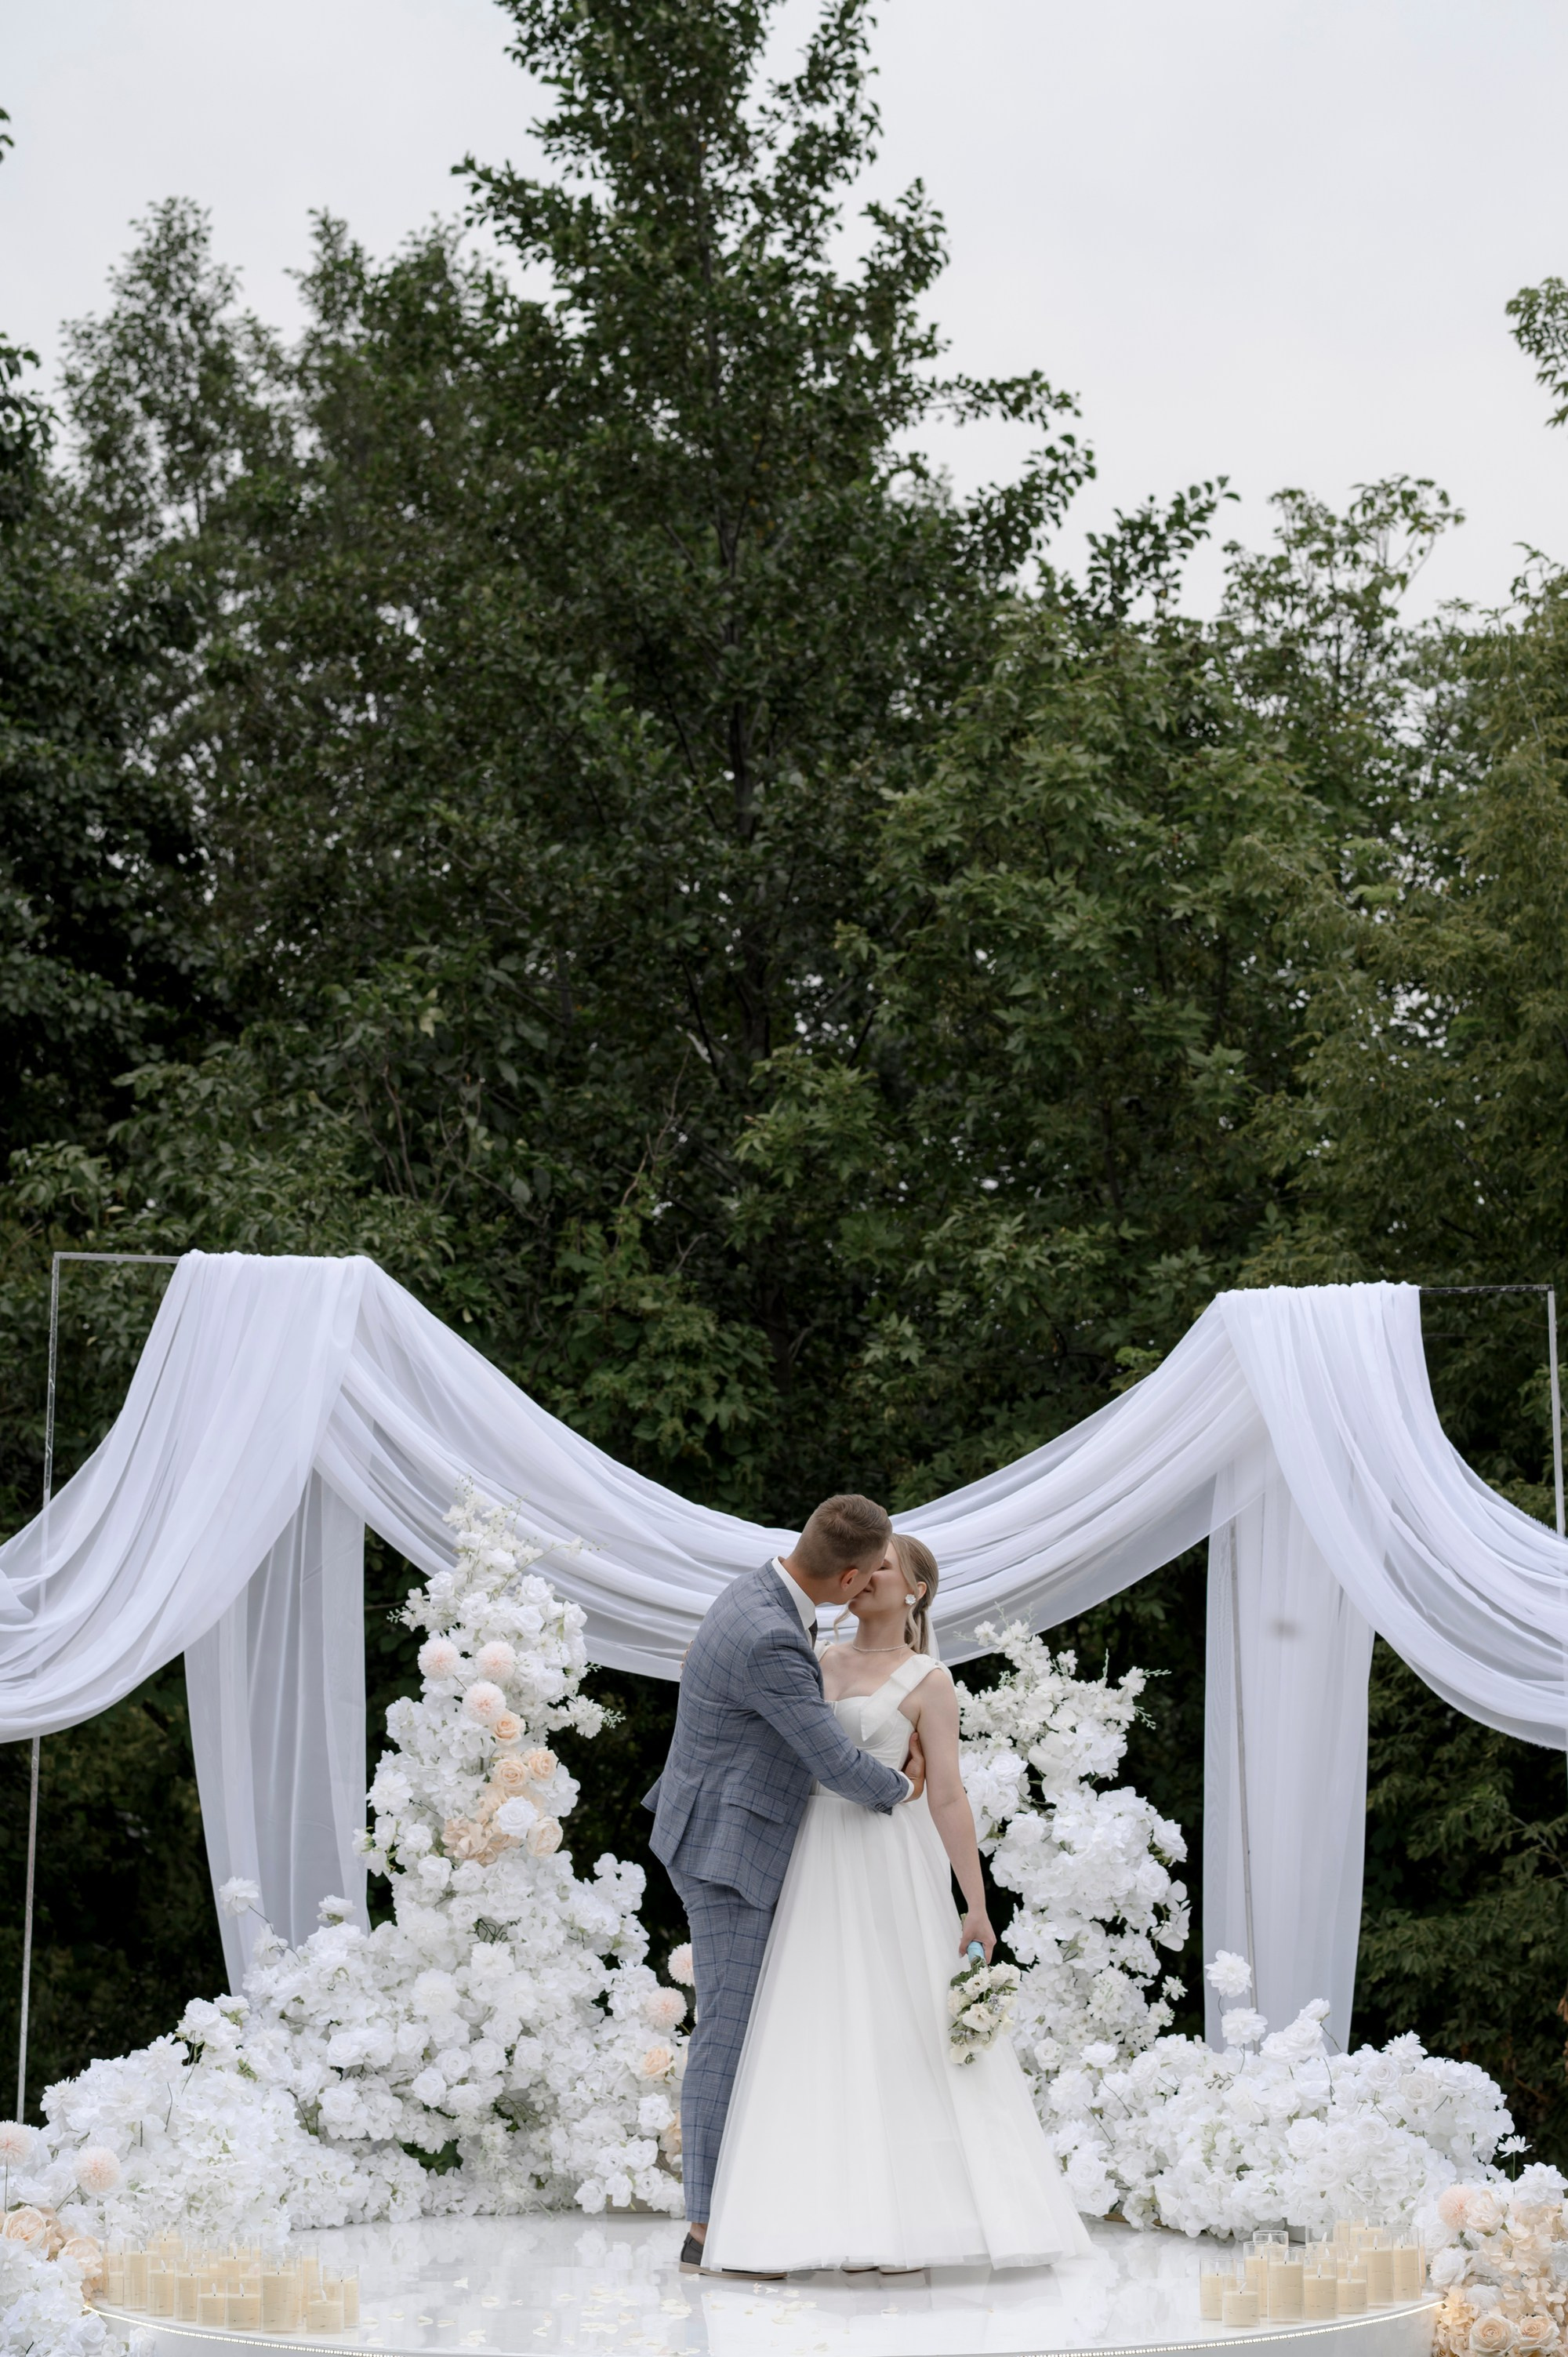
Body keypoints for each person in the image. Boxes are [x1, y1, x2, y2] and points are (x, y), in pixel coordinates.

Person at [699, 1531, 1092, 2277]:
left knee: (895, 2029)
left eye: (884, 1567)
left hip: (887, 1860)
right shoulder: (813, 1659)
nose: (866, 1576)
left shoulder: (929, 1680)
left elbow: (946, 1794)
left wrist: (976, 1904)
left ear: (916, 1590)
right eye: (865, 1566)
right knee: (810, 2025)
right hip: (811, 1856)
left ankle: (907, 2225)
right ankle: (787, 2225)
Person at [644, 1494, 928, 2275]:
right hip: (727, 1848)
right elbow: (831, 1761)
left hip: (721, 1824)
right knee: (729, 2030)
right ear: (847, 1577)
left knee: (766, 2026)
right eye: (871, 1570)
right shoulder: (772, 1634)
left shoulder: (760, 1590)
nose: (874, 1582)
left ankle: (769, 2205)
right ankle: (706, 2228)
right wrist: (906, 1787)